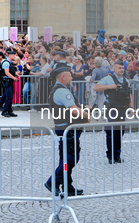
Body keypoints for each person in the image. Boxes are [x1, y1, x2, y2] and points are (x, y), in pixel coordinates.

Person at [45, 66, 90, 196]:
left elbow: (71, 107)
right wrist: (86, 115)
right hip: (67, 130)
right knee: (69, 159)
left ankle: (67, 185)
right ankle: (53, 182)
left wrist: (83, 107)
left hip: (65, 129)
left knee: (65, 159)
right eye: (70, 75)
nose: (72, 78)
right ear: (63, 77)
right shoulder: (61, 91)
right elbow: (73, 110)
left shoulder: (60, 90)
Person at [93, 60, 132, 164]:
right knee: (110, 132)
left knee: (120, 132)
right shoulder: (109, 78)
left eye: (122, 68)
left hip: (122, 109)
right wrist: (109, 86)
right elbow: (96, 87)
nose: (121, 70)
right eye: (119, 68)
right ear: (114, 68)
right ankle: (110, 156)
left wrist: (132, 108)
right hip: (111, 109)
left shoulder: (126, 80)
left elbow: (130, 94)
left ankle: (117, 155)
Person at [0, 51, 19, 117]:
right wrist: (14, 78)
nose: (14, 56)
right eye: (13, 55)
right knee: (9, 96)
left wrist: (16, 74)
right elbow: (7, 73)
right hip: (7, 81)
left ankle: (9, 110)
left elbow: (12, 71)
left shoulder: (11, 63)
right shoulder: (6, 63)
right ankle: (4, 110)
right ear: (10, 55)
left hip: (10, 81)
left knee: (10, 96)